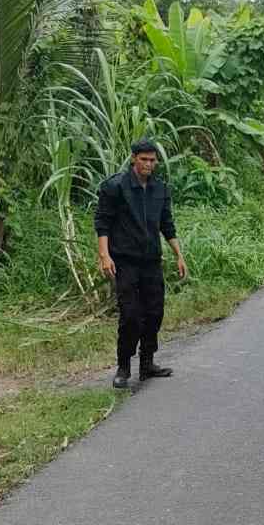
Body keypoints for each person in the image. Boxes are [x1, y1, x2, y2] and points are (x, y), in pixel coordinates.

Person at [95, 139, 188, 389]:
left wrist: (179, 255)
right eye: (144, 159)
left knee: (155, 312)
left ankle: (147, 364)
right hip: (124, 261)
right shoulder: (115, 187)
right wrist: (105, 256)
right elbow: (102, 223)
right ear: (133, 159)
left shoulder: (160, 189)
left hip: (151, 262)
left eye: (152, 160)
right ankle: (123, 367)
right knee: (131, 316)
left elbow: (167, 224)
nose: (148, 164)